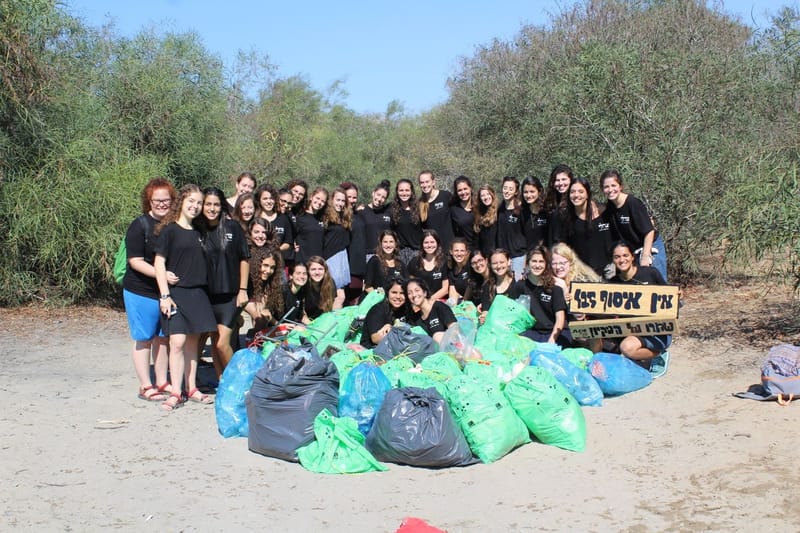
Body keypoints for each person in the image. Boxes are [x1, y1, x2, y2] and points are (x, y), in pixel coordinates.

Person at [154, 184, 217, 411]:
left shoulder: (201, 232)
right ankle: (175, 392)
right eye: (191, 201)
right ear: (181, 202)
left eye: (199, 203)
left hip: (198, 294)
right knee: (177, 342)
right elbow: (159, 263)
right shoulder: (169, 230)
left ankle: (191, 388)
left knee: (192, 343)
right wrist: (164, 295)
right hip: (175, 294)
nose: (195, 206)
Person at [122, 177, 176, 402]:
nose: (162, 204)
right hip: (140, 290)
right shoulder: (139, 225)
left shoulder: (172, 226)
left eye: (166, 200)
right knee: (144, 337)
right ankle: (145, 385)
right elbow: (135, 260)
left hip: (165, 291)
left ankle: (162, 380)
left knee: (163, 338)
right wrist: (161, 275)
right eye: (157, 200)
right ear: (148, 201)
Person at [196, 187, 250, 378]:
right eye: (208, 204)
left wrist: (243, 289)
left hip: (231, 295)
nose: (212, 208)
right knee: (214, 339)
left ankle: (238, 381)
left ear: (222, 206)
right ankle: (222, 383)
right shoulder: (197, 229)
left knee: (222, 343)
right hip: (207, 296)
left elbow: (244, 258)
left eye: (216, 204)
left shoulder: (232, 227)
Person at [608, 241, 672, 365]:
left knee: (627, 348)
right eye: (617, 257)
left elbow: (671, 299)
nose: (622, 260)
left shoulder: (650, 273)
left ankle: (658, 355)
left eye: (625, 255)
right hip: (630, 331)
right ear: (613, 260)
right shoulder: (612, 284)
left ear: (632, 257)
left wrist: (678, 294)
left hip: (656, 331)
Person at [601, 169, 668, 281]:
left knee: (656, 284)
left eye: (613, 185)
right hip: (633, 251)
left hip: (650, 245)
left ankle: (677, 299)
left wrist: (646, 256)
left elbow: (649, 231)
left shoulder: (633, 203)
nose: (610, 190)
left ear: (620, 186)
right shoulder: (610, 207)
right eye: (606, 187)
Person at [551, 176, 613, 277]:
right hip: (582, 272)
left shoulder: (603, 212)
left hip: (609, 270)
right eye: (573, 192)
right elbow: (563, 246)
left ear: (587, 194)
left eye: (580, 191)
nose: (576, 195)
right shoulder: (565, 218)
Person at [520, 246, 572, 347]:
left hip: (555, 333)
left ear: (546, 264)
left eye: (541, 261)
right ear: (527, 263)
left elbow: (560, 319)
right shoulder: (520, 286)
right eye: (534, 261)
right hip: (532, 333)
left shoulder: (554, 288)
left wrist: (552, 340)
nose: (537, 265)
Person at [322, 187, 351, 307]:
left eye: (343, 201)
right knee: (338, 296)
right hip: (330, 258)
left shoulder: (344, 217)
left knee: (337, 295)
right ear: (331, 200)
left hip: (341, 257)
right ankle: (332, 324)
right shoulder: (325, 216)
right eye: (337, 200)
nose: (340, 203)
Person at [360, 277, 409, 348]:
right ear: (387, 293)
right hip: (372, 348)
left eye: (402, 293)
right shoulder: (378, 310)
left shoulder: (404, 309)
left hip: (394, 346)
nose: (398, 296)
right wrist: (394, 331)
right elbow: (375, 339)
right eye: (394, 292)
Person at [406, 277, 456, 344]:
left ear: (425, 293)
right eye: (409, 293)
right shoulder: (416, 319)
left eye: (417, 290)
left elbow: (455, 330)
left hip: (453, 347)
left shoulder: (439, 306)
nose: (414, 295)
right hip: (435, 351)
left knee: (437, 336)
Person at [246, 247, 285, 332]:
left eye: (272, 267)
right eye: (265, 265)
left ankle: (255, 339)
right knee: (260, 318)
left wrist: (279, 324)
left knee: (263, 318)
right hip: (241, 301)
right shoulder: (248, 276)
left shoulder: (270, 281)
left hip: (254, 302)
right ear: (257, 264)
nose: (268, 271)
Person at [480, 248, 522, 323]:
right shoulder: (488, 286)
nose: (498, 266)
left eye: (502, 262)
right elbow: (485, 310)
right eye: (495, 263)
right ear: (490, 264)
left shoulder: (518, 282)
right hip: (495, 325)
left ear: (509, 261)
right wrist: (483, 317)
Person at [341, 181, 366, 304]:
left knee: (355, 301)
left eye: (354, 197)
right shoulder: (337, 216)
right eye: (348, 197)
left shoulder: (359, 215)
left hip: (358, 266)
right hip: (344, 266)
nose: (351, 200)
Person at [254, 184, 294, 263]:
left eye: (271, 198)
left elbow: (288, 242)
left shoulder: (283, 218)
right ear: (259, 200)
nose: (269, 201)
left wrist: (275, 250)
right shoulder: (254, 218)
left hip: (277, 262)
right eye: (265, 199)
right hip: (256, 260)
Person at [497, 177, 527, 279]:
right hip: (503, 257)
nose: (507, 191)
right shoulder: (499, 209)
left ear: (515, 192)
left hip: (518, 257)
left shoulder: (521, 210)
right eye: (505, 188)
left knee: (517, 287)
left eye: (510, 189)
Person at [408, 229, 449, 301]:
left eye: (432, 242)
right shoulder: (415, 262)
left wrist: (429, 300)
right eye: (426, 242)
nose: (429, 245)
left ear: (437, 243)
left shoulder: (444, 261)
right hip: (419, 301)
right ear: (422, 244)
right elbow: (410, 285)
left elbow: (445, 289)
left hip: (438, 301)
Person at [418, 170, 454, 250]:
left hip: (450, 246)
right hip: (433, 249)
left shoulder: (445, 196)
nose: (425, 185)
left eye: (427, 181)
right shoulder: (419, 203)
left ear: (433, 182)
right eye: (422, 182)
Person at [391, 179, 422, 265]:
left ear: (412, 192)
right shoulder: (391, 209)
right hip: (399, 253)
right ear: (397, 192)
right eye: (401, 190)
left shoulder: (419, 208)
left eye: (407, 190)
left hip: (417, 252)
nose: (404, 193)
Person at [294, 187, 327, 265]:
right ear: (311, 197)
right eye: (317, 198)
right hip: (302, 262)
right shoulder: (300, 217)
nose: (319, 202)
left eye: (323, 201)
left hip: (318, 264)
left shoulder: (323, 219)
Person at [361, 180, 392, 262]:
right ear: (373, 193)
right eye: (378, 195)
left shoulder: (388, 211)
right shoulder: (362, 211)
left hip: (386, 254)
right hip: (368, 255)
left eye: (383, 197)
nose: (379, 199)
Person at [304, 256, 338, 322]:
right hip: (307, 322)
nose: (317, 272)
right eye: (313, 269)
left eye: (320, 269)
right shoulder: (304, 285)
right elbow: (302, 313)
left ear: (325, 270)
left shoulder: (330, 283)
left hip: (324, 321)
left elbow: (332, 307)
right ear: (308, 271)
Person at [521, 176, 550, 249]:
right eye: (525, 192)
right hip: (529, 257)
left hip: (546, 256)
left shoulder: (548, 211)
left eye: (532, 191)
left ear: (539, 191)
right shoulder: (522, 212)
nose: (528, 195)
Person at [450, 175, 476, 248]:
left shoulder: (479, 205)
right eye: (460, 190)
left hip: (482, 250)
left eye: (465, 189)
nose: (463, 192)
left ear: (470, 188)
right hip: (465, 250)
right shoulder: (454, 209)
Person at [474, 184, 499, 257]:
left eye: (488, 194)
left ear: (492, 195)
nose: (486, 197)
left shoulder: (499, 211)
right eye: (482, 195)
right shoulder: (478, 213)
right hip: (484, 255)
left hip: (497, 254)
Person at [447, 238, 471, 302]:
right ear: (451, 252)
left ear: (466, 252)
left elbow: (471, 286)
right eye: (456, 250)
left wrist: (464, 303)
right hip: (464, 302)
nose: (459, 254)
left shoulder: (470, 266)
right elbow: (453, 293)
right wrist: (453, 309)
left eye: (462, 250)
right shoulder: (451, 269)